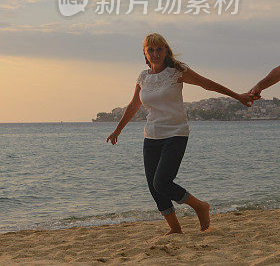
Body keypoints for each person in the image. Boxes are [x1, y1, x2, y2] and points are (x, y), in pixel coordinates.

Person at [106, 33, 254, 234]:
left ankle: (200, 206)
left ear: (166, 51)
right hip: (151, 136)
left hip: (176, 133)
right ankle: (175, 229)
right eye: (151, 50)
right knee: (153, 187)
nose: (156, 53)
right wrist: (117, 130)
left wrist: (238, 96)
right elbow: (133, 105)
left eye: (160, 49)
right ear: (144, 52)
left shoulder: (177, 71)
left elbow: (207, 84)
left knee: (162, 182)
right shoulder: (143, 77)